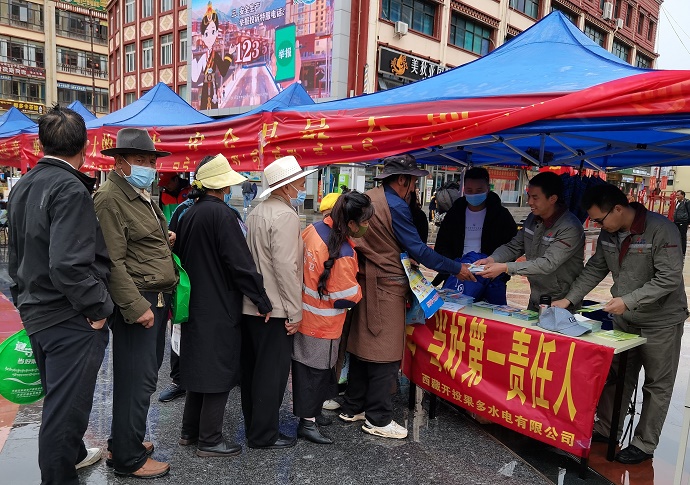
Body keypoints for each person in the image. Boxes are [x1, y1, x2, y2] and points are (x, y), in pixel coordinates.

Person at [7, 106, 113, 485]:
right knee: (64, 412)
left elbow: (16, 256)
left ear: (41, 144)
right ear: (85, 147)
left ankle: (75, 456)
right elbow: (68, 264)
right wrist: (98, 309)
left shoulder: (23, 185)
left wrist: (23, 300)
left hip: (38, 308)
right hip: (68, 315)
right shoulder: (70, 188)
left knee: (60, 400)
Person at [339, 154, 475, 439]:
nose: (413, 188)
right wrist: (456, 268)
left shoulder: (370, 197)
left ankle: (353, 406)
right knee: (386, 352)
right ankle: (378, 418)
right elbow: (420, 251)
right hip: (386, 284)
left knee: (361, 346)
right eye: (412, 182)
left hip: (366, 281)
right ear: (402, 180)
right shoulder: (395, 205)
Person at [553, 184, 688, 464]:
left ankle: (644, 443)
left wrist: (628, 301)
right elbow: (595, 268)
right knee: (617, 375)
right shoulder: (609, 233)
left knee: (657, 384)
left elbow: (669, 278)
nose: (598, 226)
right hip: (625, 320)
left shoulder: (661, 230)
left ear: (617, 209)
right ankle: (606, 429)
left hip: (660, 321)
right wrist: (569, 299)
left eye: (599, 220)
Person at [174, 154, 272, 456]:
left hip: (195, 302)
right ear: (223, 186)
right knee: (218, 370)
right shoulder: (223, 215)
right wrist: (261, 299)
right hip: (219, 304)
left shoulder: (189, 213)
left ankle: (190, 431)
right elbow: (240, 264)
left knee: (198, 367)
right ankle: (210, 439)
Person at [94, 128, 177, 479]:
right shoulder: (110, 198)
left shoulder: (137, 193)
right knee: (136, 380)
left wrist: (163, 238)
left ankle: (125, 440)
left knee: (142, 376)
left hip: (153, 297)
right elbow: (112, 261)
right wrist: (134, 306)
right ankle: (128, 459)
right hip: (138, 300)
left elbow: (137, 243)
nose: (148, 167)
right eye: (140, 160)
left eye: (151, 161)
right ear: (120, 162)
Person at [241, 155, 317, 449]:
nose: (302, 186)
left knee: (253, 372)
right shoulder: (285, 216)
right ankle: (264, 434)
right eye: (300, 182)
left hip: (254, 305)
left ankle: (254, 427)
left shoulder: (256, 211)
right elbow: (286, 267)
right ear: (286, 186)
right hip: (275, 308)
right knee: (271, 375)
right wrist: (295, 312)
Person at [293, 192, 374, 445]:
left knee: (308, 371)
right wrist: (359, 291)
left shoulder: (313, 230)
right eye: (365, 221)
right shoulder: (344, 252)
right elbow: (345, 296)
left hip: (304, 315)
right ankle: (307, 423)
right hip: (323, 323)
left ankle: (312, 415)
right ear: (351, 223)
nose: (367, 226)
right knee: (315, 374)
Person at [476, 171, 584, 310]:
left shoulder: (570, 227)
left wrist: (505, 267)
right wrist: (492, 259)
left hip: (562, 303)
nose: (530, 202)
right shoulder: (532, 218)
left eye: (535, 197)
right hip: (536, 298)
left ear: (552, 199)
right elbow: (514, 246)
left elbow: (547, 264)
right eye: (529, 196)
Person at [433, 167, 518, 292]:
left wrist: (501, 273)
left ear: (487, 189)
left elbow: (512, 247)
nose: (474, 194)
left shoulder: (501, 215)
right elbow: (441, 245)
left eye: (479, 190)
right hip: (458, 274)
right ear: (463, 190)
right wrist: (454, 266)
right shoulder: (454, 213)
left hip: (490, 277)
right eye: (469, 190)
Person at [673, 190, 690, 255]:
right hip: (676, 222)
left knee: (682, 237)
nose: (677, 196)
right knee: (676, 236)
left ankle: (683, 251)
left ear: (682, 195)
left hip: (683, 222)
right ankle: (677, 250)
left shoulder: (687, 202)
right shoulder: (677, 202)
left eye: (678, 195)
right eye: (676, 195)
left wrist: (688, 222)